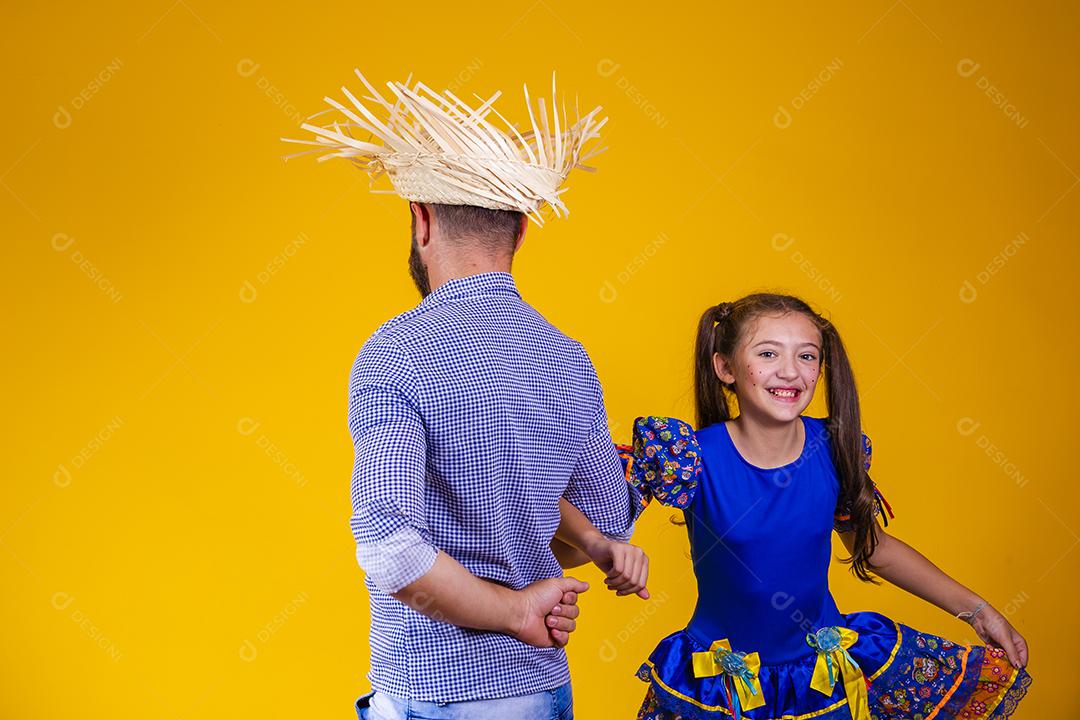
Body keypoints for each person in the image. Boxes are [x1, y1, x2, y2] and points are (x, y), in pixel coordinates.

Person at [283, 72, 645, 719]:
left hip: (434, 692)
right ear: (523, 229)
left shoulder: (397, 351)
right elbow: (608, 519)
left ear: (421, 220)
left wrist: (514, 609)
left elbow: (391, 548)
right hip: (539, 690)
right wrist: (555, 559)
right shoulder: (568, 357)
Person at [565, 293, 1032, 719]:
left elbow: (875, 550)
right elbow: (557, 508)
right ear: (725, 367)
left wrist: (978, 611)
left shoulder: (835, 450)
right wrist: (600, 544)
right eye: (768, 354)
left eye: (806, 356)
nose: (790, 372)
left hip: (822, 680)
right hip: (723, 687)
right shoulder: (684, 457)